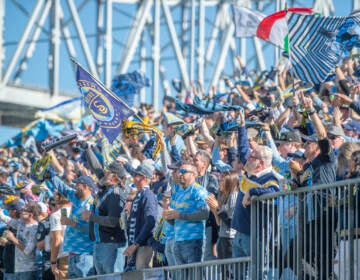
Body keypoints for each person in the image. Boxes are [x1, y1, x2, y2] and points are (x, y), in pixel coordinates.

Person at [81, 161, 127, 275]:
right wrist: (87, 148)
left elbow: (113, 221)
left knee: (113, 277)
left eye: (107, 172)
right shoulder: (105, 191)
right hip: (99, 243)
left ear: (114, 177)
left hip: (111, 245)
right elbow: (97, 169)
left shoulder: (116, 194)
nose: (104, 174)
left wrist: (91, 217)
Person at [46, 174, 96, 278]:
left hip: (85, 255)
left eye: (77, 184)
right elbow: (63, 188)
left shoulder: (92, 204)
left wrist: (71, 223)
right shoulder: (76, 197)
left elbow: (92, 229)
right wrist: (50, 176)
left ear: (86, 187)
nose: (75, 187)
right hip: (72, 254)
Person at [163, 162, 209, 265]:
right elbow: (175, 221)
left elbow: (204, 214)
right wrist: (168, 216)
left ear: (193, 174)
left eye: (183, 172)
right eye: (180, 172)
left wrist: (179, 215)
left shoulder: (198, 191)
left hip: (194, 241)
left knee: (195, 276)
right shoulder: (178, 193)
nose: (180, 174)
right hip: (178, 240)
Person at [123, 163, 158, 270]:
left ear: (143, 178)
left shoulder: (148, 195)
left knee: (141, 275)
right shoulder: (139, 194)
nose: (133, 178)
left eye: (136, 175)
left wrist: (136, 244)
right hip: (136, 244)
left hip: (144, 245)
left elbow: (150, 222)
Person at [0, 201, 41, 280]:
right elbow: (5, 218)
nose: (21, 212)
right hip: (17, 268)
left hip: (28, 270)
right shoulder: (21, 223)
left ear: (30, 215)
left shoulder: (35, 228)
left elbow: (27, 251)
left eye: (24, 211)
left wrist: (12, 238)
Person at [0, 199, 25, 280]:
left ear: (14, 211)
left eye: (9, 210)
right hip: (8, 265)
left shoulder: (22, 225)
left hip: (16, 266)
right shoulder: (8, 226)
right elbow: (3, 242)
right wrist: (3, 240)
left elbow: (25, 246)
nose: (7, 211)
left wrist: (8, 242)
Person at [49, 192, 71, 280]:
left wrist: (53, 262)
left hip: (64, 256)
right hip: (80, 253)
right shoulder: (78, 210)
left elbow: (56, 240)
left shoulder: (56, 215)